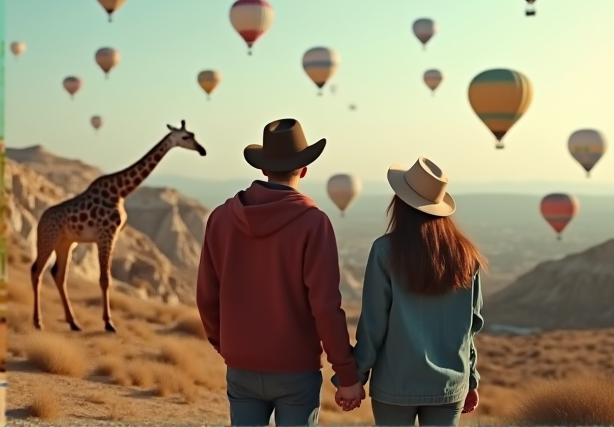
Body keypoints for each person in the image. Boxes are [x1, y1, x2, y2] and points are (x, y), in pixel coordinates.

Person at [196, 118, 364, 426]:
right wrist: (346, 373)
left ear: (262, 168)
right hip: (296, 371)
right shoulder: (313, 222)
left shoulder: (220, 218)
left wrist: (228, 346)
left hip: (241, 366)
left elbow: (207, 297)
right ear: (304, 169)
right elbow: (325, 306)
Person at [334, 156, 486, 426]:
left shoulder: (384, 251)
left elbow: (373, 325)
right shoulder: (466, 255)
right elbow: (470, 327)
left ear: (400, 204)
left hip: (395, 383)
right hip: (448, 384)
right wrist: (471, 378)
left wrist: (354, 377)